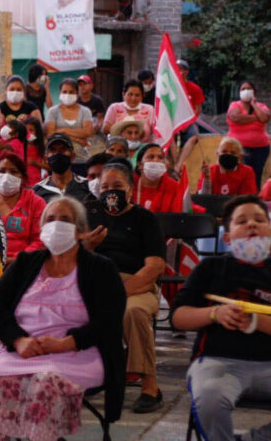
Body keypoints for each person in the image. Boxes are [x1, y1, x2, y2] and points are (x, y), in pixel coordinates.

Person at [0, 197, 126, 441]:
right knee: (3, 379)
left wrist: (65, 343)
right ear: (41, 228)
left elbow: (109, 320)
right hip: (23, 350)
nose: (56, 225)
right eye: (50, 219)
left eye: (65, 220)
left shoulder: (101, 269)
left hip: (79, 352)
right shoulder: (25, 263)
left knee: (45, 385)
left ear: (80, 231)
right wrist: (18, 340)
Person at [171, 195, 271, 441]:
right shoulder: (211, 268)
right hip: (217, 362)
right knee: (210, 398)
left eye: (259, 220)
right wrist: (214, 313)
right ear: (227, 237)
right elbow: (178, 318)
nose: (251, 224)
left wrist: (256, 321)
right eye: (242, 221)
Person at [85, 162, 167, 413]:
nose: (110, 191)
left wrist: (121, 292)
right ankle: (88, 374)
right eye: (105, 187)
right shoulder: (89, 214)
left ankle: (150, 387)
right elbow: (71, 257)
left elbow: (155, 266)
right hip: (96, 283)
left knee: (133, 312)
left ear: (130, 190)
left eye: (117, 186)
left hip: (137, 285)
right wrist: (88, 245)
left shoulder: (145, 219)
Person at [0, 152, 46, 262]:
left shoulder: (35, 203)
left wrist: (15, 261)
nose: (6, 176)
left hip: (23, 265)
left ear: (23, 178)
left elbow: (40, 240)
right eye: (2, 171)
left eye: (13, 171)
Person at [227, 80, 270, 190]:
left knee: (256, 176)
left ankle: (254, 197)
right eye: (243, 89)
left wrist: (254, 105)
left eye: (248, 88)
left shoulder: (261, 106)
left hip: (260, 149)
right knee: (239, 175)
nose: (246, 91)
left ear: (254, 92)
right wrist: (256, 117)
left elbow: (265, 118)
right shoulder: (235, 105)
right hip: (239, 148)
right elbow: (236, 118)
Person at [44, 78, 94, 163]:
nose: (67, 95)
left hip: (81, 158)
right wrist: (78, 140)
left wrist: (63, 130)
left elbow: (88, 132)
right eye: (64, 92)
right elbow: (50, 134)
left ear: (77, 94)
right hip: (57, 157)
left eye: (71, 92)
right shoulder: (52, 111)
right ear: (60, 93)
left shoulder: (85, 111)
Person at [32, 133, 90, 203]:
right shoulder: (37, 191)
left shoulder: (88, 186)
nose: (57, 153)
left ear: (72, 156)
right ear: (46, 158)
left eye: (63, 149)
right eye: (53, 150)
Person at [132, 143, 183, 213]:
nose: (156, 160)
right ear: (139, 165)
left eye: (160, 157)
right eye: (151, 157)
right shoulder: (130, 184)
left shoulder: (174, 186)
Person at [176, 59, 204, 141]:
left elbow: (198, 109)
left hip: (188, 121)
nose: (178, 72)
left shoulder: (195, 88)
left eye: (180, 69)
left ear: (186, 72)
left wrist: (187, 123)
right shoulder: (170, 88)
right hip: (172, 121)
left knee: (193, 137)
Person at [23, 116, 47, 185]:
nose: (28, 133)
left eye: (31, 130)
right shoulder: (19, 146)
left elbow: (50, 167)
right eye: (25, 130)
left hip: (38, 183)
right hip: (23, 182)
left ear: (37, 132)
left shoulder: (42, 147)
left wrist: (36, 163)